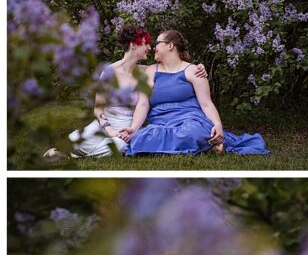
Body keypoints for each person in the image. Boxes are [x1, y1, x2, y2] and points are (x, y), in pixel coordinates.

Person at [42, 26, 208, 161]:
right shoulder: (108, 73)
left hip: (129, 128)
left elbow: (174, 69)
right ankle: (74, 150)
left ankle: (73, 156)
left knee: (119, 147)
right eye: (146, 44)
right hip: (105, 124)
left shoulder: (146, 71)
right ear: (134, 44)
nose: (150, 48)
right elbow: (98, 110)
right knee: (75, 141)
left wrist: (199, 67)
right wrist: (109, 129)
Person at [124, 29, 270, 156]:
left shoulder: (193, 71)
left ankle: (198, 144)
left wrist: (218, 124)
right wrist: (134, 128)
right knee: (140, 138)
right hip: (161, 124)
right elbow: (143, 103)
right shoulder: (150, 71)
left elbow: (206, 103)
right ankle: (204, 147)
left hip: (189, 120)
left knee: (192, 133)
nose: (154, 47)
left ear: (170, 46)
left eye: (158, 43)